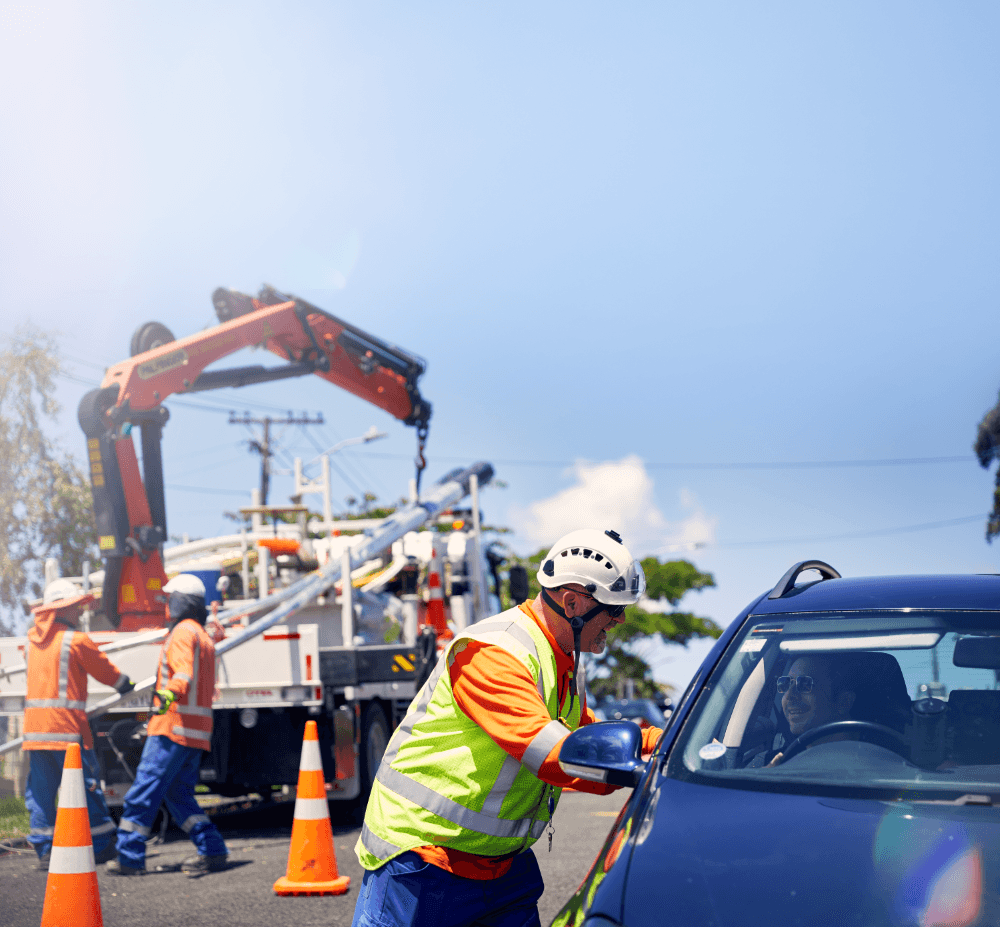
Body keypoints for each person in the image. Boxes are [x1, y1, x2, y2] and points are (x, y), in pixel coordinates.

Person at [352, 528, 663, 927]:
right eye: (612, 608)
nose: (619, 620)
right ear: (572, 602)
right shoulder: (496, 652)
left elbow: (586, 734)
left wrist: (670, 741)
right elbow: (554, 754)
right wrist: (644, 770)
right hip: (424, 863)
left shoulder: (558, 657)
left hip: (500, 866)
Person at [108, 573, 229, 876]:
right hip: (195, 734)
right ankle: (212, 849)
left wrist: (168, 692)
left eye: (169, 599)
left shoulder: (182, 634)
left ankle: (129, 857)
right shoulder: (203, 635)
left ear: (180, 602)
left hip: (171, 730)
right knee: (179, 796)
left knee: (142, 794)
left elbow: (183, 674)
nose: (165, 605)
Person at [23, 578, 135, 869]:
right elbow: (104, 670)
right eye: (76, 607)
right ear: (67, 609)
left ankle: (45, 851)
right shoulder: (76, 640)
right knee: (85, 787)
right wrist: (124, 684)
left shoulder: (32, 641)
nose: (80, 612)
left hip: (36, 732)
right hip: (66, 730)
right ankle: (100, 845)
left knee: (41, 793)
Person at [762, 654, 858, 767]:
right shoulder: (776, 763)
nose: (789, 695)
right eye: (786, 684)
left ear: (844, 702)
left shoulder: (879, 760)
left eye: (804, 684)